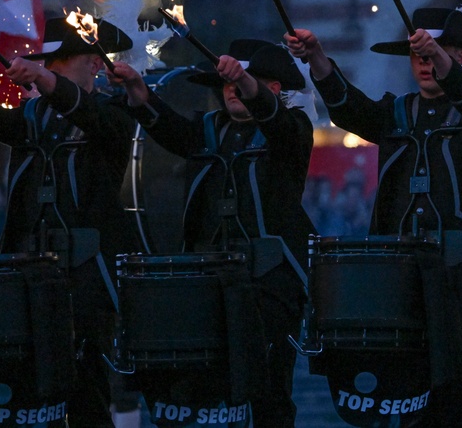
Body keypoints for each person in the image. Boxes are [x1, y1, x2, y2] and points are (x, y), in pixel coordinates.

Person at [287, 7, 462, 427]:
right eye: (419, 55)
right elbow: (349, 109)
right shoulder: (397, 112)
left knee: (461, 392)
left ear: (461, 56)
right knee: (405, 391)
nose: (426, 64)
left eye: (438, 53)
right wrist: (317, 58)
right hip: (399, 276)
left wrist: (443, 63)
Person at [0, 16, 138, 428]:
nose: (48, 72)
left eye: (59, 64)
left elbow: (95, 120)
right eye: (48, 65)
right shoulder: (32, 115)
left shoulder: (114, 113)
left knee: (86, 388)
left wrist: (44, 79)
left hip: (87, 275)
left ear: (95, 64)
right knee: (33, 389)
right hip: (31, 269)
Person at [110, 39, 313, 427]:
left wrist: (246, 84)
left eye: (247, 82)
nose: (233, 90)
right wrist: (139, 93)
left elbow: (278, 123)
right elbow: (171, 132)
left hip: (269, 282)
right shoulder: (208, 129)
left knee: (269, 392)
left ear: (273, 89)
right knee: (211, 391)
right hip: (208, 280)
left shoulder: (293, 130)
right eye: (228, 83)